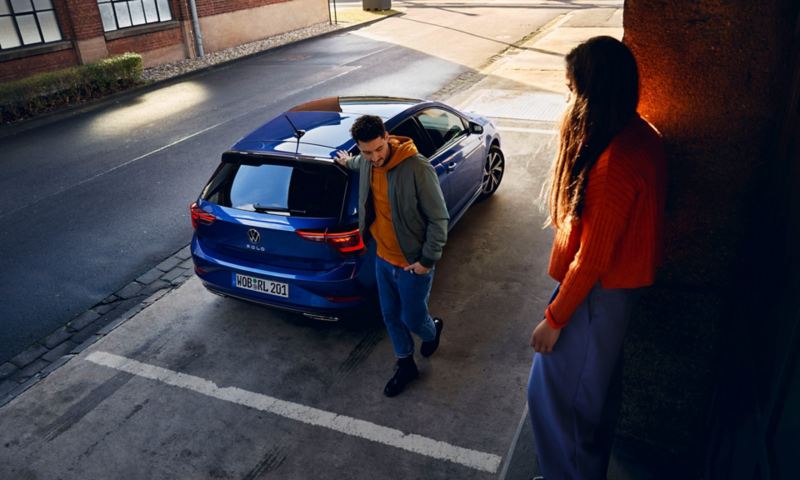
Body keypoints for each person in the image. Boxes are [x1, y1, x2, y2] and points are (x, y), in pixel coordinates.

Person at [527, 36, 667, 479]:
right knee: (592, 402)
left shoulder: (615, 160)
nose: (569, 99)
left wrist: (554, 319)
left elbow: (592, 258)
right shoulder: (641, 134)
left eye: (573, 90)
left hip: (594, 298)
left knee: (555, 404)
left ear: (593, 92)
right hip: (612, 296)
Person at [334, 115, 448, 397]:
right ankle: (405, 364)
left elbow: (439, 218)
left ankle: (432, 330)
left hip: (412, 264)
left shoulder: (417, 168)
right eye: (366, 151)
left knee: (413, 318)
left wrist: (426, 261)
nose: (374, 157)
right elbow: (357, 163)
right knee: (390, 316)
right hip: (382, 257)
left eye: (377, 150)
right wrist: (345, 161)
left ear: (386, 137)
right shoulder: (367, 163)